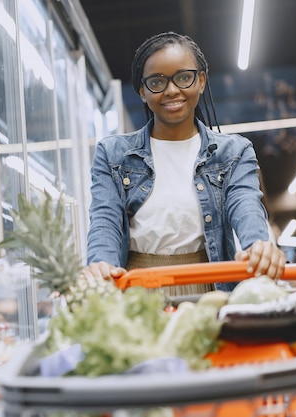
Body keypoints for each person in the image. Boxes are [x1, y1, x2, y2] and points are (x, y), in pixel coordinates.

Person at [83, 32, 285, 294]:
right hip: (136, 291)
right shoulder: (113, 154)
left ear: (201, 81)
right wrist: (100, 263)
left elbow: (245, 204)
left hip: (210, 285)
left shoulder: (234, 152)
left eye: (183, 77)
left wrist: (259, 244)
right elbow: (104, 218)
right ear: (142, 91)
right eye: (157, 81)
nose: (172, 90)